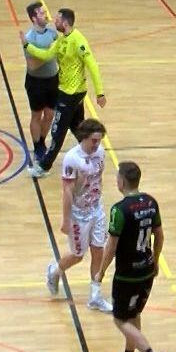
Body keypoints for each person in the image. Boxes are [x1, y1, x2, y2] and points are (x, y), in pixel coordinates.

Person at [102, 160, 171, 352]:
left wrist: (100, 272)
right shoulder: (151, 202)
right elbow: (159, 236)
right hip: (147, 270)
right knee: (134, 316)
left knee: (120, 319)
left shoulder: (119, 210)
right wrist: (157, 260)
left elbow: (111, 247)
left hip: (127, 274)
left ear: (121, 181)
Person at [24, 8, 106, 177]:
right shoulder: (61, 41)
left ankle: (44, 167)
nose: (54, 21)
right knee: (77, 127)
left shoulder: (78, 40)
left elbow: (92, 65)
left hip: (71, 94)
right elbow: (46, 55)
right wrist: (27, 46)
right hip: (67, 92)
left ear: (65, 22)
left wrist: (100, 93)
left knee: (57, 131)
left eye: (58, 19)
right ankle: (94, 153)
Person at [49, 118, 112, 312]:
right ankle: (55, 271)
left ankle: (95, 295)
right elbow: (67, 191)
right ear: (84, 138)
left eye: (99, 140)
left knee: (99, 251)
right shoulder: (72, 159)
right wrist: (66, 220)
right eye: (94, 140)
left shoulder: (100, 153)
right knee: (78, 255)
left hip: (96, 209)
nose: (97, 144)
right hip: (78, 214)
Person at [22, 2, 60, 164]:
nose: (46, 15)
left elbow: (59, 53)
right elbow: (32, 65)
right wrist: (49, 54)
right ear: (33, 18)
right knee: (36, 115)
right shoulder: (30, 38)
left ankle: (43, 141)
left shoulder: (52, 32)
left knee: (50, 114)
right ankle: (37, 146)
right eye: (42, 13)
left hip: (53, 79)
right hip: (36, 82)